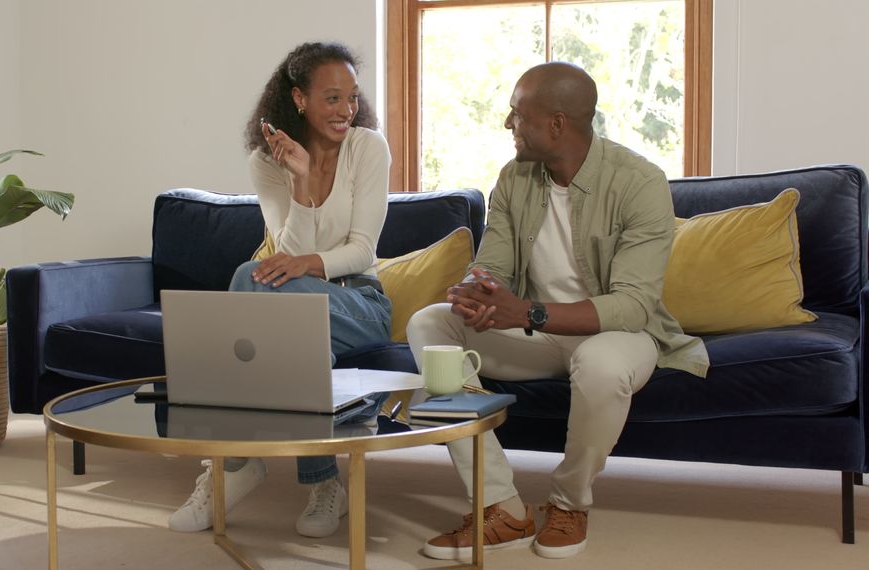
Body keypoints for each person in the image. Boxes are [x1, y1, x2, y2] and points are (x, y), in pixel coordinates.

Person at [406, 62, 710, 560]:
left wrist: (525, 312)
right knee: (428, 324)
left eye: (518, 115)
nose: (509, 124)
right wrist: (474, 292)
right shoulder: (514, 177)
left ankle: (569, 502)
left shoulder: (639, 183)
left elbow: (632, 306)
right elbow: (494, 266)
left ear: (556, 124)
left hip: (617, 334)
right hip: (533, 336)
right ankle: (499, 505)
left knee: (601, 363)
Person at [168, 42, 393, 539]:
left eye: (352, 98)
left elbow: (359, 252)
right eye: (332, 98)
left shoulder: (368, 148)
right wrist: (303, 183)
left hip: (359, 304)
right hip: (298, 306)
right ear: (298, 99)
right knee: (279, 311)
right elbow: (285, 256)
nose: (346, 110)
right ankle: (320, 481)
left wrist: (306, 263)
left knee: (252, 280)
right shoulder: (266, 163)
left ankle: (232, 463)